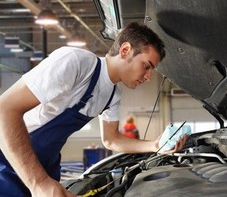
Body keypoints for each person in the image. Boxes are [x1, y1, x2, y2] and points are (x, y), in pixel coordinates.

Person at [0, 22, 189, 197]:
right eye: (146, 66)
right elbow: (5, 109)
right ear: (125, 50)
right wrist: (39, 183)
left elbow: (111, 140)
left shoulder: (113, 94)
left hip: (46, 163)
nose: (148, 77)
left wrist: (155, 146)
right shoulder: (76, 63)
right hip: (10, 159)